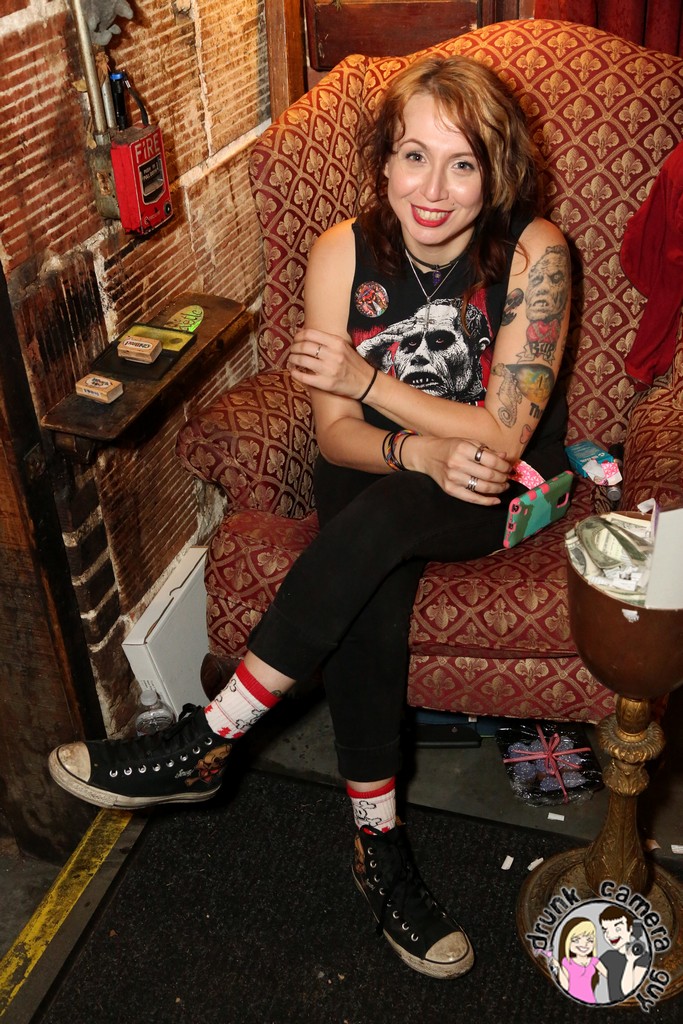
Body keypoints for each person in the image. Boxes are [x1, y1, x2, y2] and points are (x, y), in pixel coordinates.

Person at [48, 55, 570, 980]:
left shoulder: (535, 253)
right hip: (374, 469)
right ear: (383, 161)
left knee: (380, 526)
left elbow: (500, 432)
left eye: (462, 163)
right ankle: (379, 846)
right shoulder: (339, 253)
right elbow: (334, 437)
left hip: (495, 486)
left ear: (496, 173)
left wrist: (370, 381)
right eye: (413, 155)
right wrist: (415, 448)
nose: (432, 189)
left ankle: (209, 739)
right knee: (371, 564)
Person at [551, 917, 608, 1003]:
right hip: (571, 1001)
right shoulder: (567, 962)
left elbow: (610, 976)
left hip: (590, 1001)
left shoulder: (594, 961)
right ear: (567, 941)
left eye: (590, 940)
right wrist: (558, 967)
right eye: (576, 940)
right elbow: (565, 986)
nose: (584, 944)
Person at [599, 906, 650, 1002]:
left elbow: (627, 992)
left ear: (630, 929)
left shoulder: (643, 957)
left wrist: (630, 961)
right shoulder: (608, 956)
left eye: (617, 929)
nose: (610, 935)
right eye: (605, 930)